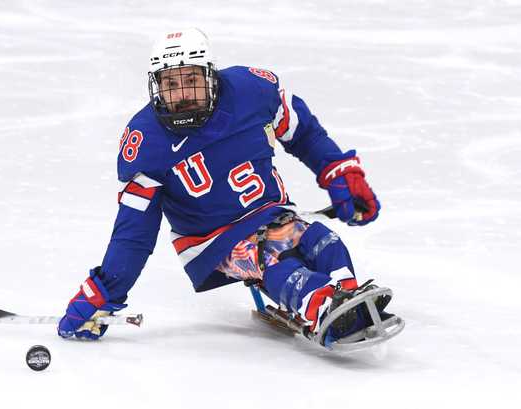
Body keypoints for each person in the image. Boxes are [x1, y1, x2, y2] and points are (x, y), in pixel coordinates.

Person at [57, 28, 392, 345]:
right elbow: (134, 233)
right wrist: (104, 292)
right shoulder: (144, 141)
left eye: (191, 79)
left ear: (210, 76)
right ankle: (323, 308)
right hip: (214, 239)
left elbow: (303, 132)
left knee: (324, 240)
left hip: (272, 213)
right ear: (156, 85)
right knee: (272, 261)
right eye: (171, 83)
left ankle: (349, 296)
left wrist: (339, 172)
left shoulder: (251, 90)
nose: (183, 94)